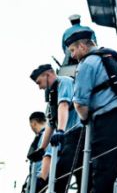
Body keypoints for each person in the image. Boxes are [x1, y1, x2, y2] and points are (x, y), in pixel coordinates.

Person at [68, 26, 117, 193]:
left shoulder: (87, 64)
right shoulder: (114, 56)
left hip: (107, 121)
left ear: (82, 46)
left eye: (73, 50)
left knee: (103, 169)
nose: (72, 55)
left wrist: (85, 120)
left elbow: (79, 103)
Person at [30, 64, 82, 193]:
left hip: (77, 132)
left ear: (47, 75)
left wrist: (60, 131)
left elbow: (64, 105)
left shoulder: (64, 82)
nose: (40, 87)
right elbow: (51, 123)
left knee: (64, 175)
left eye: (39, 82)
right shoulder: (52, 95)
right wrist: (42, 149)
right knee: (67, 177)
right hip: (67, 136)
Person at [25, 111, 50, 193]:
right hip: (37, 177)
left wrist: (41, 180)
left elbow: (49, 155)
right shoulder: (41, 136)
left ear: (34, 123)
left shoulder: (46, 135)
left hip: (41, 177)